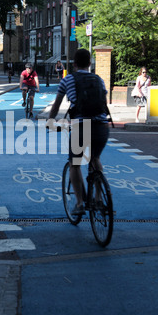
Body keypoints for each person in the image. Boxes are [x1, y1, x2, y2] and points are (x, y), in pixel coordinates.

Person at [47, 48, 109, 216]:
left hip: (81, 125)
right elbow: (104, 102)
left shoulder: (67, 80)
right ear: (90, 64)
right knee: (95, 158)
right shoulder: (99, 79)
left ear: (74, 64)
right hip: (102, 125)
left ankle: (80, 203)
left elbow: (57, 105)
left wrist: (50, 122)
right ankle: (98, 199)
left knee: (74, 163)